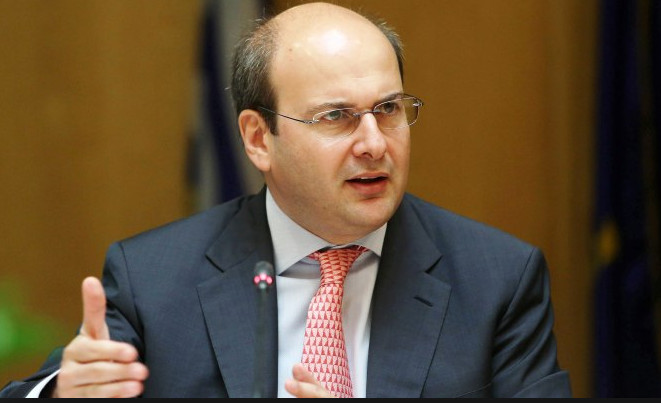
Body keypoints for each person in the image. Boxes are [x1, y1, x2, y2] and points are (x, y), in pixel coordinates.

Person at [0, 1, 572, 398]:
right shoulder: (152, 278)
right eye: (336, 116)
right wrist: (63, 393)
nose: (374, 144)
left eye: (388, 109)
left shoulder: (497, 279)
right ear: (258, 138)